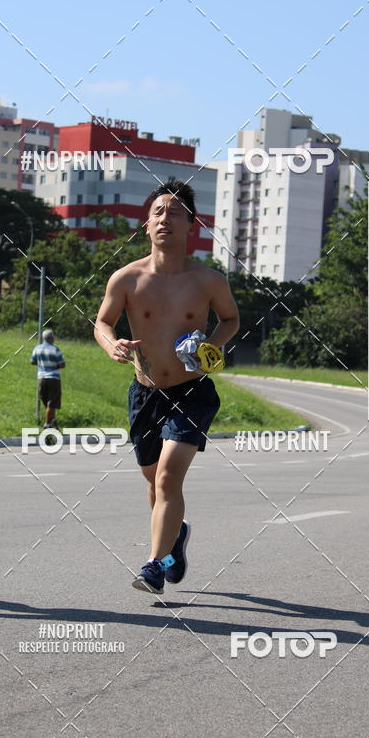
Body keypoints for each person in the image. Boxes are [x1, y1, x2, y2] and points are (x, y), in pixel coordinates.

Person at [94, 180, 239, 594]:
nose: (165, 218)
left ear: (192, 224)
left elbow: (231, 319)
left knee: (168, 477)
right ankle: (174, 540)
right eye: (158, 211)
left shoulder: (207, 280)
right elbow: (102, 323)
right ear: (146, 226)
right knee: (152, 479)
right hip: (145, 392)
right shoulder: (126, 278)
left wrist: (212, 343)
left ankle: (153, 566)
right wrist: (112, 344)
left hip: (192, 391)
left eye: (175, 212)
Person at [31, 328, 65, 428]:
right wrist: (54, 365)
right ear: (52, 338)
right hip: (54, 378)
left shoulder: (37, 348)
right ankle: (47, 424)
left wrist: (42, 364)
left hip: (41, 378)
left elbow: (33, 361)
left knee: (46, 401)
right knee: (52, 402)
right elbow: (62, 365)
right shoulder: (55, 349)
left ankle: (53, 421)